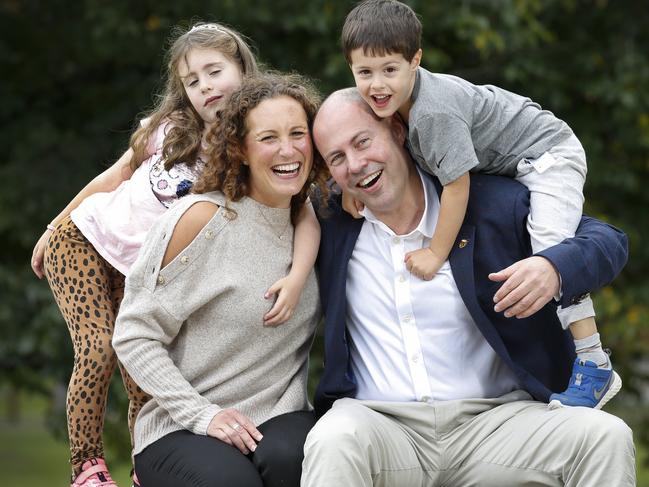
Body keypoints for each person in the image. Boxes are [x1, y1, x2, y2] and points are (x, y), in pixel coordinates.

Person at [301, 88, 635, 486]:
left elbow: (608, 241)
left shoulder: (489, 202)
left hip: (495, 424)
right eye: (337, 158)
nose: (355, 164)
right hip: (382, 426)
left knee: (605, 436)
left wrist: (552, 266)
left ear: (396, 130)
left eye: (362, 141)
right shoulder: (329, 223)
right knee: (332, 439)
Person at [30, 23, 315, 487]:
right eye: (192, 80)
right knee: (102, 346)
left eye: (214, 71)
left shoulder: (244, 151)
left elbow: (301, 213)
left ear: (243, 69)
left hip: (136, 259)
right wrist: (54, 225)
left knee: (148, 367)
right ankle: (86, 465)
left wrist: (298, 274)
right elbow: (113, 177)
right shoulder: (169, 130)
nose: (204, 87)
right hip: (87, 236)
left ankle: (149, 467)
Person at [339, 0, 618, 409]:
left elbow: (456, 186)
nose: (377, 84)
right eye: (364, 72)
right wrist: (348, 182)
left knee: (551, 253)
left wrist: (436, 253)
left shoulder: (433, 114)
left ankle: (594, 363)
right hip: (509, 161)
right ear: (351, 68)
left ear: (415, 60)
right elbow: (348, 124)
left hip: (546, 155)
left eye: (389, 70)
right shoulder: (384, 98)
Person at [112, 72, 329, 487]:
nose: (288, 149)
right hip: (182, 423)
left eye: (297, 133)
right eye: (268, 138)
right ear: (240, 149)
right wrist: (203, 415)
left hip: (279, 414)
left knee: (297, 462)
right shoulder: (200, 220)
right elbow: (134, 335)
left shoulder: (312, 218)